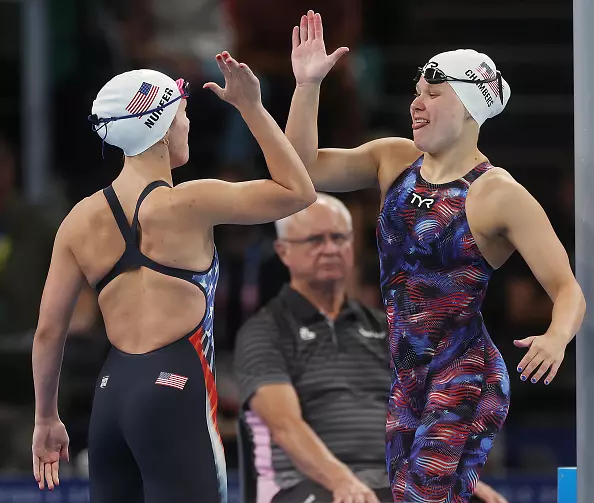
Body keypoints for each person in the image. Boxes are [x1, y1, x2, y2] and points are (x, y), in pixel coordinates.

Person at [283, 10, 586, 503]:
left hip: (465, 375)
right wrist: (308, 86)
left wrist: (555, 338)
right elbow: (300, 169)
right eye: (416, 92)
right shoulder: (394, 159)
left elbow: (567, 289)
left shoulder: (497, 194)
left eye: (433, 94)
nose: (416, 104)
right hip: (408, 375)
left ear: (468, 108)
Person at [30, 51, 316, 503]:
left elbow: (48, 333)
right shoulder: (191, 203)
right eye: (182, 116)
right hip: (174, 391)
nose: (188, 126)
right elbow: (299, 191)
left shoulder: (78, 221)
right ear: (160, 130)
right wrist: (251, 108)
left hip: (112, 397)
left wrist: (46, 417)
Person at [234, 194, 508, 503]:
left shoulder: (386, 330)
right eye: (315, 239)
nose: (330, 249)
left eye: (339, 238)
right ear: (283, 252)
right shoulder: (265, 331)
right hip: (307, 485)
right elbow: (285, 425)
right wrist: (343, 482)